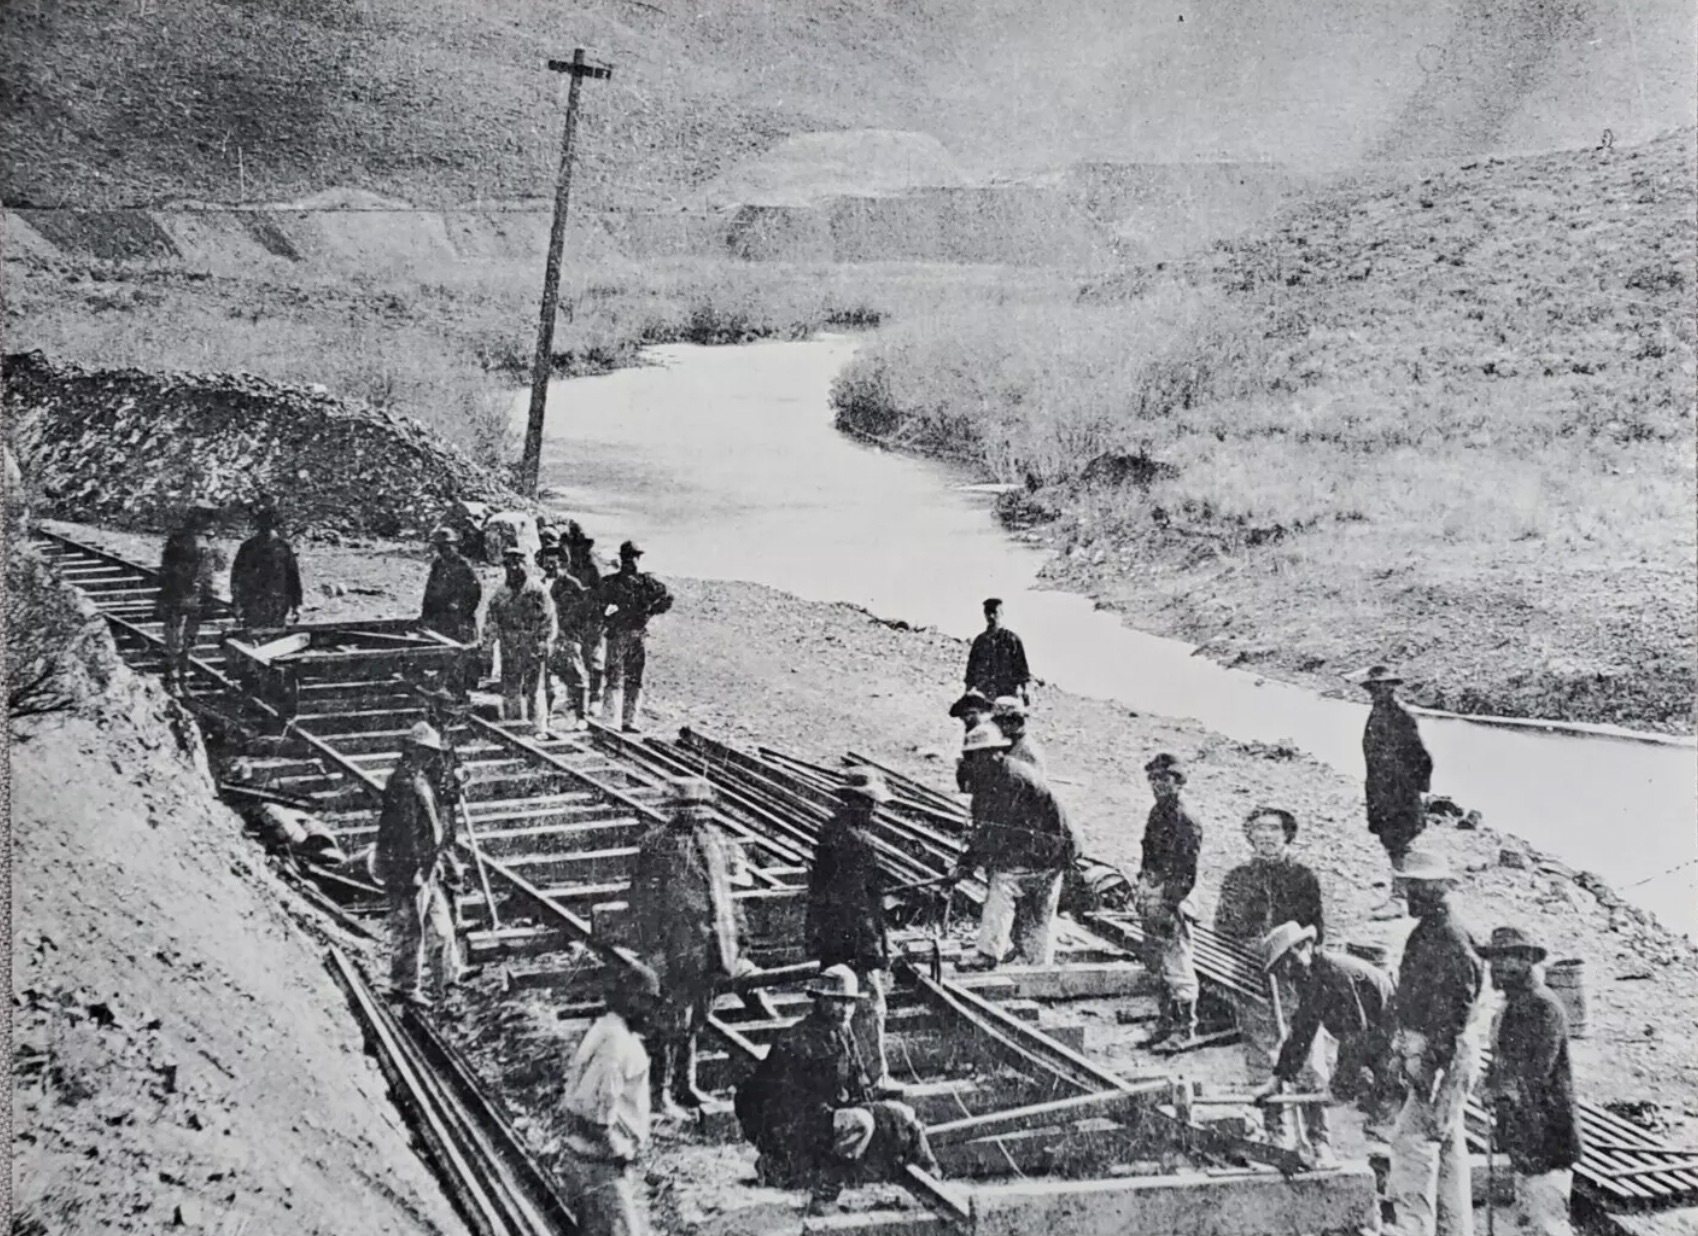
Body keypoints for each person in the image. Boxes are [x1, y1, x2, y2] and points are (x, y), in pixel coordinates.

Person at [734, 965, 938, 1213]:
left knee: (903, 1115)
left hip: (829, 1121)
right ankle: (823, 1197)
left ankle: (933, 1184)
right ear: (820, 1001)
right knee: (859, 1123)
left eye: (850, 1002)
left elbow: (858, 1084)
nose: (846, 1009)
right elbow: (782, 1102)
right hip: (797, 1126)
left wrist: (883, 1109)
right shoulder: (797, 1040)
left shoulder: (843, 1033)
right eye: (838, 1001)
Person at [1386, 850, 1485, 1236]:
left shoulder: (1447, 936)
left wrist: (1432, 1062)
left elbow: (1456, 1008)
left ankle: (1414, 1228)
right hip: (1441, 1047)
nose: (1407, 894)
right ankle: (1454, 1228)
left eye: (1415, 887)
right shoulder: (1435, 929)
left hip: (1442, 1050)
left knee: (1412, 1140)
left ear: (1437, 888)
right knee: (1445, 1144)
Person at [630, 777, 740, 1118]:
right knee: (668, 1022)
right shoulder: (657, 845)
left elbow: (726, 898)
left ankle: (686, 1085)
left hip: (710, 948)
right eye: (686, 809)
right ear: (673, 811)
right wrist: (653, 952)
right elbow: (644, 904)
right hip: (675, 950)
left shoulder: (714, 842)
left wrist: (739, 942)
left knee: (696, 1020)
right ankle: (659, 1094)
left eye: (698, 809)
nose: (694, 815)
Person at [1253, 921, 1400, 1163]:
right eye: (1283, 968)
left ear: (1306, 946)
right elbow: (1302, 1031)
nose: (1288, 971)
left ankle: (1383, 1182)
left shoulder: (1334, 974)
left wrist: (1340, 1085)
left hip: (1390, 1037)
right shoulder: (1310, 977)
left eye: (1290, 961)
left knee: (1382, 1112)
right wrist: (1277, 1079)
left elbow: (1355, 1034)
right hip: (1373, 1037)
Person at [1215, 807, 1327, 1115]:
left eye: (1274, 829)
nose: (1266, 835)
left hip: (1295, 978)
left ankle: (1318, 1138)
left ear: (1287, 834)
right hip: (1252, 977)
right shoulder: (1237, 878)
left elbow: (1317, 930)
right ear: (1249, 835)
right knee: (1261, 1057)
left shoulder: (1303, 877)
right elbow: (1222, 930)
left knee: (1306, 1058)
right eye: (1259, 829)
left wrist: (1294, 949)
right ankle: (1275, 1131)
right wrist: (1256, 951)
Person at [1478, 927, 1582, 1236]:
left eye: (1507, 958)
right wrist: (1491, 1080)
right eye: (1495, 958)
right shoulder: (1512, 1004)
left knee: (1547, 1223)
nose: (1498, 966)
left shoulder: (1543, 1006)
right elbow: (1503, 1060)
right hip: (1524, 1131)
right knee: (1529, 1220)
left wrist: (1499, 1088)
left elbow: (1537, 1072)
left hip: (1549, 1132)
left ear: (1526, 960)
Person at [951, 722, 1079, 971]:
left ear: (994, 753)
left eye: (980, 755)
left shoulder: (1010, 779)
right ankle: (1037, 963)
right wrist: (965, 864)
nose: (976, 762)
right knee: (1037, 903)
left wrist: (965, 867)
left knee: (1004, 885)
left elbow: (992, 833)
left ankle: (989, 955)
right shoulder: (994, 776)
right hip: (1048, 846)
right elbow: (984, 829)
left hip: (1051, 846)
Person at [807, 768, 898, 1091]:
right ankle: (874, 1079)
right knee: (870, 1007)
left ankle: (845, 1075)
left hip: (830, 939)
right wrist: (874, 950)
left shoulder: (829, 832)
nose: (875, 811)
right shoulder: (857, 843)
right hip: (853, 942)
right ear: (858, 803)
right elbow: (858, 904)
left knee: (835, 1006)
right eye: (871, 804)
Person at [559, 963, 664, 1236]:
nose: (653, 1013)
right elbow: (595, 1114)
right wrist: (619, 1151)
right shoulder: (616, 1044)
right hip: (600, 1168)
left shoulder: (611, 1029)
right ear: (632, 1000)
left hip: (596, 1164)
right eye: (649, 1002)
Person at [372, 722, 458, 1007]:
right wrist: (416, 872)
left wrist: (436, 860)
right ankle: (405, 986)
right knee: (410, 929)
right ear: (413, 750)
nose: (432, 758)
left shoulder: (419, 779)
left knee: (441, 926)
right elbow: (405, 832)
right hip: (409, 868)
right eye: (427, 752)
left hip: (426, 865)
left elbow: (431, 823)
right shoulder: (403, 783)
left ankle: (448, 981)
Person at [1134, 752, 1202, 1049]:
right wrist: (1143, 882)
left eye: (1165, 779)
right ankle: (1165, 1022)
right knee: (1158, 962)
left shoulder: (1185, 817)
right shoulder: (1158, 811)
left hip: (1175, 896)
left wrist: (1169, 902)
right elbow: (1148, 852)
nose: (1158, 784)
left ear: (1178, 782)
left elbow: (1187, 870)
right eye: (1154, 779)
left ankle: (1184, 1028)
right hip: (1154, 890)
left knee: (1177, 962)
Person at [1357, 665, 1434, 921]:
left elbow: (1422, 758)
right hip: (1381, 790)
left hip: (1398, 792)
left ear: (1391, 687)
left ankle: (1399, 899)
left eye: (1382, 686)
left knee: (1399, 843)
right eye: (1373, 687)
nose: (1376, 691)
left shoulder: (1401, 716)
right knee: (1391, 842)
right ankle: (1402, 895)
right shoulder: (1379, 712)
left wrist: (1414, 791)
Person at [597, 541, 673, 733]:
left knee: (634, 677)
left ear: (638, 559)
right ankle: (611, 719)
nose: (630, 561)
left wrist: (650, 612)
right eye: (627, 557)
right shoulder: (611, 583)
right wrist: (607, 618)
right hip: (618, 633)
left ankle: (629, 720)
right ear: (621, 559)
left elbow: (666, 598)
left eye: (634, 557)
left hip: (637, 634)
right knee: (614, 675)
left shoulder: (647, 583)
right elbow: (596, 603)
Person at [481, 546, 557, 735]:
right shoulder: (501, 592)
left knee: (534, 688)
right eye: (509, 565)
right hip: (509, 644)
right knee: (510, 687)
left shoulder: (537, 590)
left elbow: (548, 619)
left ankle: (538, 727)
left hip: (531, 643)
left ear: (525, 565)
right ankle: (513, 724)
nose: (513, 569)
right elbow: (492, 620)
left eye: (517, 564)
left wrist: (543, 642)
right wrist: (487, 645)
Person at [155, 502, 221, 696]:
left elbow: (217, 567)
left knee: (187, 640)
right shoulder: (181, 540)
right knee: (176, 639)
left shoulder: (207, 542)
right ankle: (174, 679)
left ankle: (182, 679)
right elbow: (168, 569)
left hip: (196, 596)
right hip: (179, 594)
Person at [229, 502, 301, 630]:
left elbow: (293, 578)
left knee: (275, 640)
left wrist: (297, 605)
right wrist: (237, 602)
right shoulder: (248, 548)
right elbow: (237, 577)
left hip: (277, 603)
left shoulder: (283, 547)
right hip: (255, 603)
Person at [562, 522, 607, 709]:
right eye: (573, 545)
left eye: (579, 545)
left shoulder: (593, 568)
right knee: (573, 658)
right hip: (575, 618)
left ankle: (595, 697)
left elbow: (602, 596)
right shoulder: (571, 567)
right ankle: (576, 696)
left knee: (594, 659)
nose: (576, 549)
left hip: (592, 619)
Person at [420, 526, 482, 644]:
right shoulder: (438, 564)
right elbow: (430, 591)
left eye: (447, 546)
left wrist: (459, 607)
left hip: (459, 621)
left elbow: (475, 593)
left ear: (455, 546)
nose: (444, 550)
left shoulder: (463, 565)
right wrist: (425, 615)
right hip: (440, 620)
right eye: (440, 547)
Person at [964, 597, 1031, 704]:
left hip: (1007, 695)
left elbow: (1022, 669)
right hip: (984, 694)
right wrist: (967, 693)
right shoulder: (980, 641)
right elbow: (971, 670)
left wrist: (1024, 691)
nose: (991, 616)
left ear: (1001, 613)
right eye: (987, 612)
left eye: (994, 612)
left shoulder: (1012, 639)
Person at [950, 688, 995, 792]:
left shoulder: (988, 729)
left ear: (981, 712)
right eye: (964, 715)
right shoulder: (970, 729)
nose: (967, 718)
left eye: (972, 713)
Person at [990, 696, 1047, 775]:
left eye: (1010, 721)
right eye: (997, 721)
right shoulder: (1001, 743)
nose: (1001, 726)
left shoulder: (1029, 749)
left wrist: (1009, 764)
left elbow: (1037, 781)